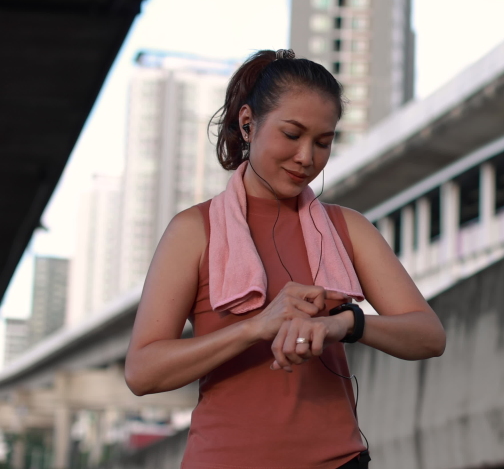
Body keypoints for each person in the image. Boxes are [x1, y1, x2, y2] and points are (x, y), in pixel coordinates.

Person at [124, 49, 446, 469]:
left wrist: (345, 323)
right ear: (247, 123)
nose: (306, 158)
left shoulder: (348, 228)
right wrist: (254, 328)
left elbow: (429, 335)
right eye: (292, 135)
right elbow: (142, 371)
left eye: (323, 142)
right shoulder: (193, 231)